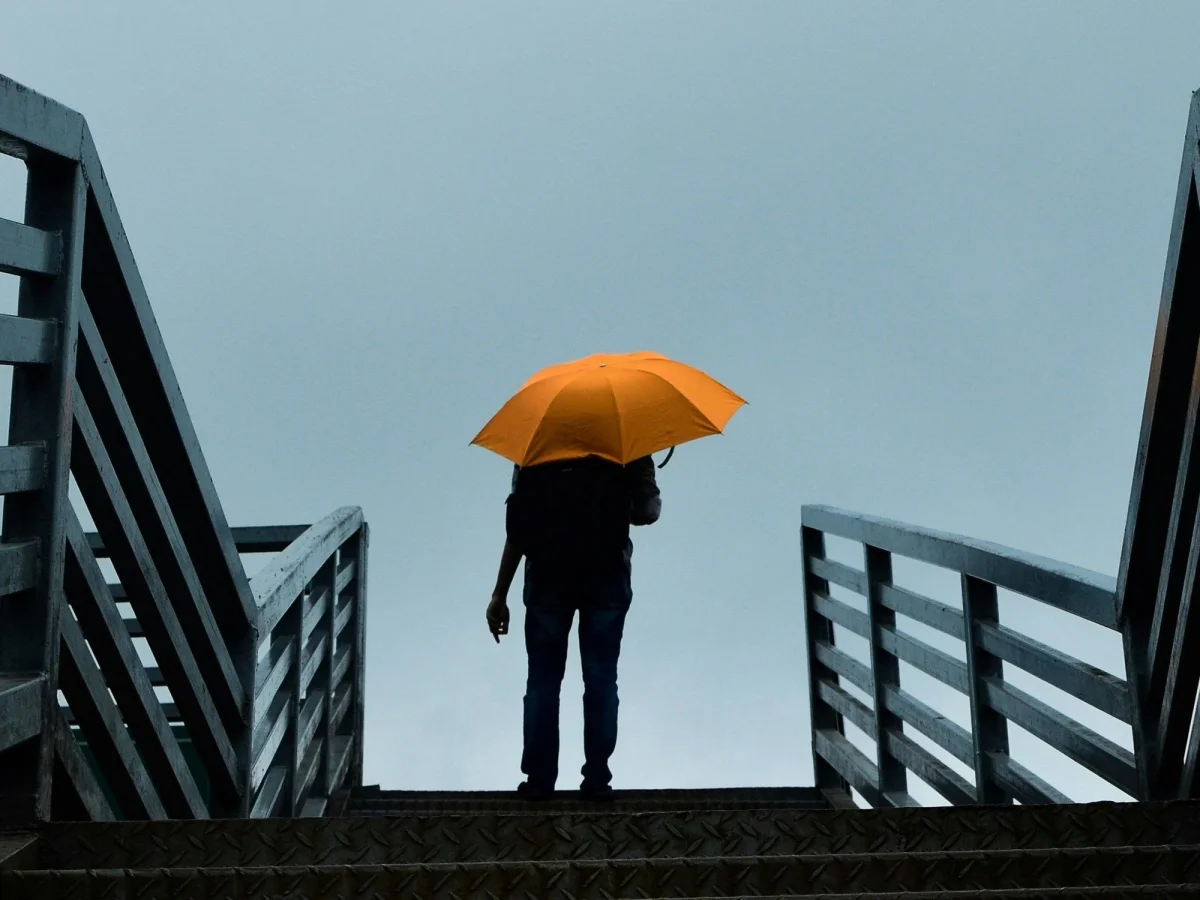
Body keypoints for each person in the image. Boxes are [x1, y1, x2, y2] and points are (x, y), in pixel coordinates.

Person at [486, 454, 662, 800]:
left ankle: (539, 781)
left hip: (547, 579)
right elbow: (647, 513)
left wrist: (499, 593)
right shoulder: (627, 441)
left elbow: (518, 528)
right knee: (600, 680)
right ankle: (597, 780)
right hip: (607, 576)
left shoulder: (538, 444)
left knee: (542, 681)